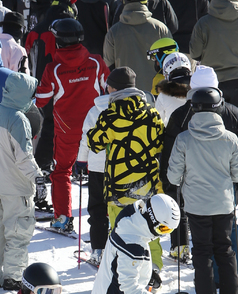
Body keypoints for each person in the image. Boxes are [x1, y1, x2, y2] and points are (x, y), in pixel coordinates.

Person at [167, 86, 238, 294]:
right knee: (225, 249)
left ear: (193, 110)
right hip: (223, 204)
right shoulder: (230, 139)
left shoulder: (184, 139)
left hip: (196, 206)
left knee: (202, 251)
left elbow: (173, 177)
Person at [36, 19, 108, 235]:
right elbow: (109, 87)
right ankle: (105, 218)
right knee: (101, 172)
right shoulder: (95, 62)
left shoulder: (54, 68)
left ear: (58, 41)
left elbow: (41, 100)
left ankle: (63, 218)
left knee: (61, 173)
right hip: (96, 128)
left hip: (67, 131)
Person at [86, 67, 165, 240]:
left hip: (118, 188)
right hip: (147, 185)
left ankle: (123, 265)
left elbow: (94, 144)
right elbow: (160, 145)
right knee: (149, 231)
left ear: (114, 89)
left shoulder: (109, 116)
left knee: (121, 233)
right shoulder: (151, 114)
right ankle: (154, 265)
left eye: (108, 86)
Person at [0, 73, 41, 291]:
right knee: (17, 232)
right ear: (23, 94)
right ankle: (13, 277)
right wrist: (39, 177)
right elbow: (24, 157)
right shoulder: (18, 118)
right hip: (17, 188)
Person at [104, 0, 171, 96]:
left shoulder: (114, 32)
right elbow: (170, 61)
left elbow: (108, 65)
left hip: (125, 93)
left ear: (123, 0)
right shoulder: (160, 28)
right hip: (156, 93)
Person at [75, 85, 111, 267]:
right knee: (116, 208)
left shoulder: (93, 111)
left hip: (97, 166)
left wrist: (81, 161)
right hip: (120, 167)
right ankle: (117, 250)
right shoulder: (123, 109)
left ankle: (98, 250)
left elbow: (86, 138)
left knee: (97, 207)